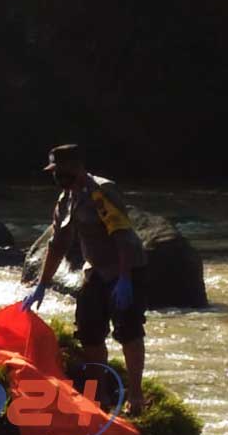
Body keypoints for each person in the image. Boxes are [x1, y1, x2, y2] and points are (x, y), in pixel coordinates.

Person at [22, 144, 149, 414]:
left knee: (129, 331)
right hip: (96, 271)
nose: (56, 176)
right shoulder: (65, 200)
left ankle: (136, 396)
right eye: (53, 171)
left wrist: (125, 278)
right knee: (89, 332)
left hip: (125, 268)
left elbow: (122, 237)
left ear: (76, 166)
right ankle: (98, 395)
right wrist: (41, 284)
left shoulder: (101, 191)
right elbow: (58, 244)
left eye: (60, 170)